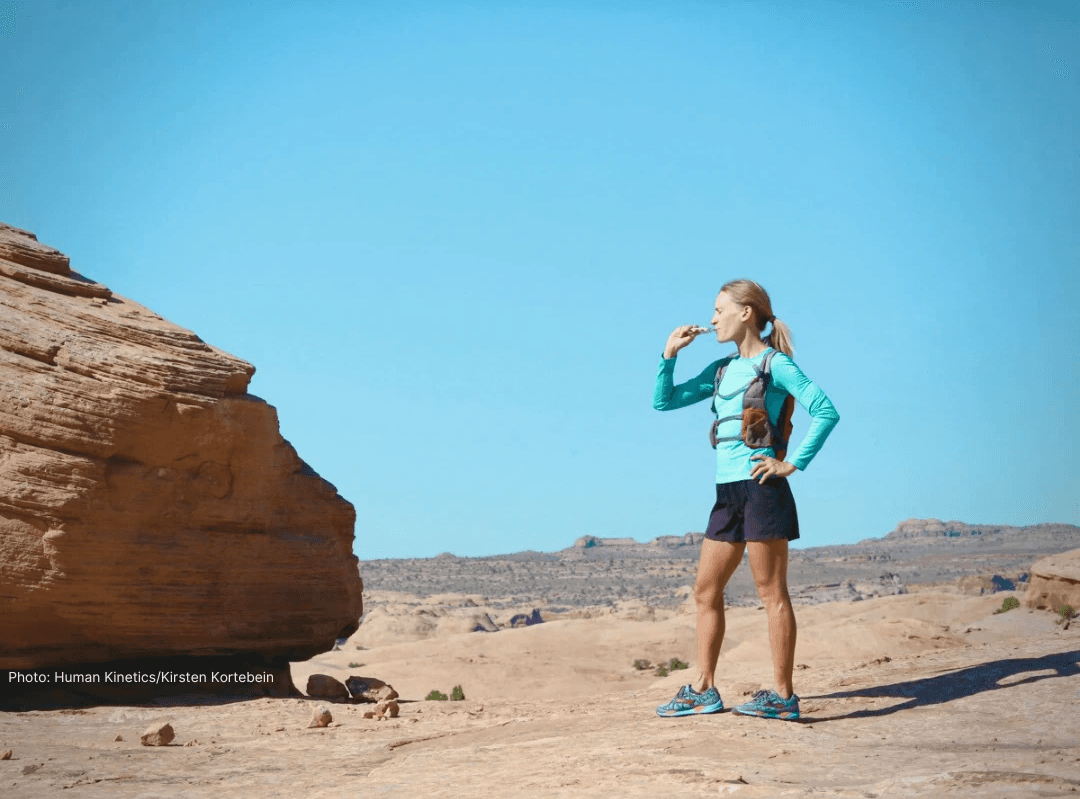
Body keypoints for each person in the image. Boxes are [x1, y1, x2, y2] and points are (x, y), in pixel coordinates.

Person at [652, 279, 839, 721]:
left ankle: (783, 696)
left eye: (720, 310)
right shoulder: (721, 369)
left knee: (771, 593)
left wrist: (793, 464)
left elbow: (826, 410)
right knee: (705, 591)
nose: (712, 318)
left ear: (746, 313)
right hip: (727, 492)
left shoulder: (777, 366)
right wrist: (668, 357)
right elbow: (665, 402)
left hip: (763, 489)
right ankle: (704, 689)